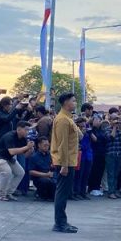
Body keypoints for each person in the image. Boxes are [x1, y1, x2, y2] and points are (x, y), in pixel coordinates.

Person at [50, 92, 82, 233]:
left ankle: (62, 221)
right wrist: (63, 164)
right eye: (73, 101)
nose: (75, 103)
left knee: (64, 192)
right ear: (66, 103)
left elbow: (79, 135)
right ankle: (59, 223)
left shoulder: (68, 118)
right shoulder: (62, 119)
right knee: (62, 193)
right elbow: (62, 143)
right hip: (64, 161)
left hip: (69, 160)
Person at [0, 121, 33, 202]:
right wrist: (26, 147)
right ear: (19, 129)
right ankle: (1, 194)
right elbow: (12, 152)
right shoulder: (10, 136)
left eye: (28, 130)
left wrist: (30, 150)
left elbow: (25, 155)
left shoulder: (23, 139)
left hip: (8, 158)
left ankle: (9, 192)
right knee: (7, 172)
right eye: (26, 130)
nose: (27, 132)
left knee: (20, 172)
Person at [105, 116, 121, 199]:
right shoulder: (107, 129)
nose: (116, 121)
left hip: (120, 154)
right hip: (110, 154)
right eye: (114, 119)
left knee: (116, 174)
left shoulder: (120, 129)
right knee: (111, 174)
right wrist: (114, 127)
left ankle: (114, 191)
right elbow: (111, 137)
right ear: (110, 120)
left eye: (117, 120)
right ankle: (110, 192)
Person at [29, 137, 57, 201]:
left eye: (48, 145)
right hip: (40, 177)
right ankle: (41, 194)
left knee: (59, 179)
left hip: (51, 175)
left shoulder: (50, 155)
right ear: (39, 145)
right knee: (45, 181)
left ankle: (51, 196)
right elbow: (31, 171)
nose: (46, 147)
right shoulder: (34, 156)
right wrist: (45, 175)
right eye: (45, 145)